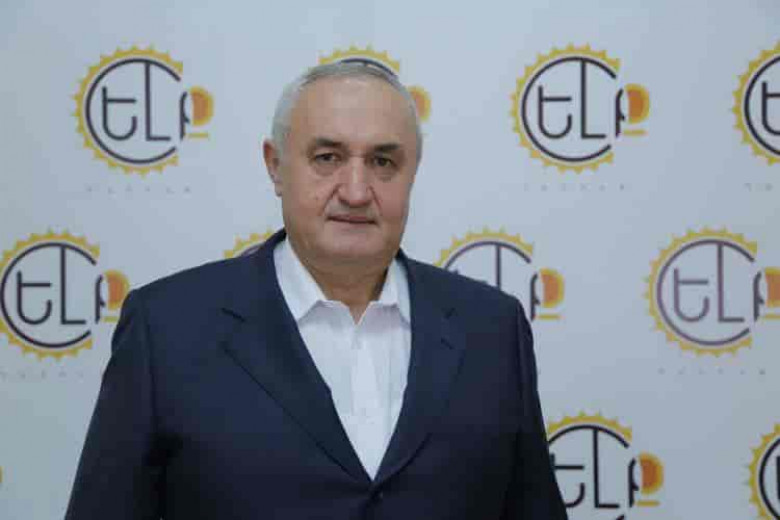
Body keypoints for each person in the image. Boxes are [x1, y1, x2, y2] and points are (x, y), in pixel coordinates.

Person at [65, 61, 567, 519]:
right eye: (327, 157)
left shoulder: (492, 329)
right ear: (275, 165)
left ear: (413, 171)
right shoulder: (166, 329)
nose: (356, 191)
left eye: (383, 162)